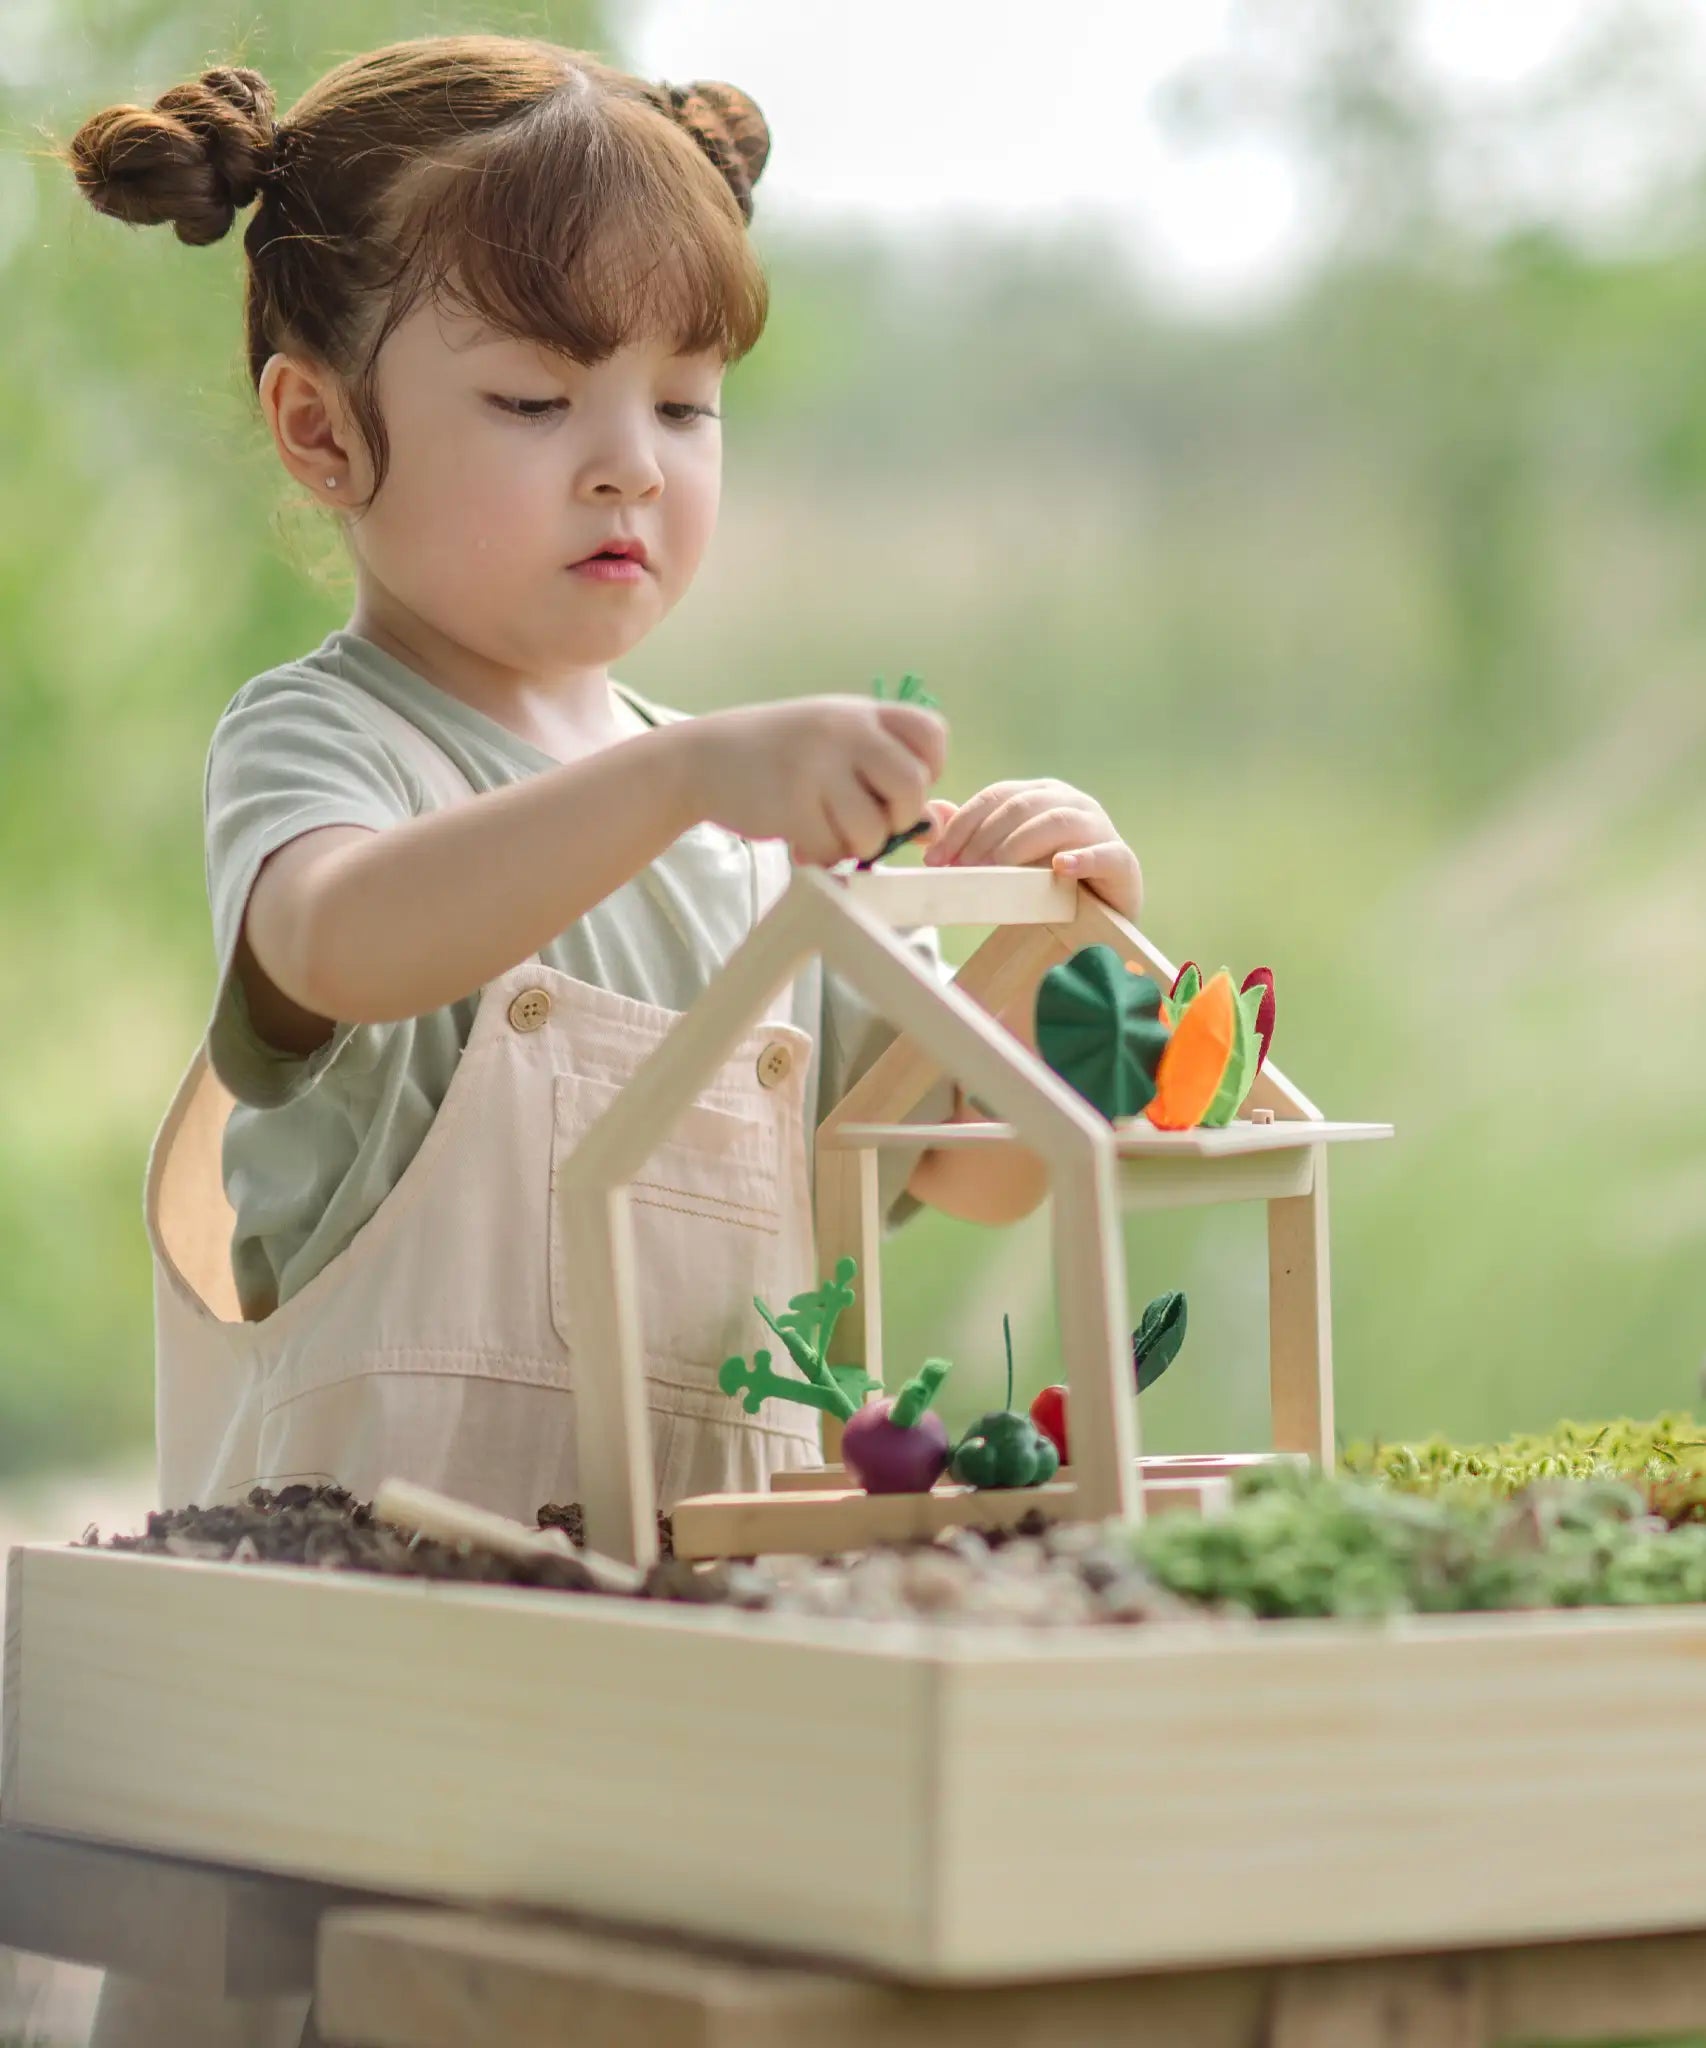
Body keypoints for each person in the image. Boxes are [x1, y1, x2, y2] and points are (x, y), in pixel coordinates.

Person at [61, 35, 1145, 2044]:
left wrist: (1018, 963)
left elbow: (956, 1173)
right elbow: (336, 938)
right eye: (538, 398)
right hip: (357, 1765)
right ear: (318, 431)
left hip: (675, 1741)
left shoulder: (728, 832)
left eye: (687, 400)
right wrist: (687, 787)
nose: (630, 457)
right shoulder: (331, 742)